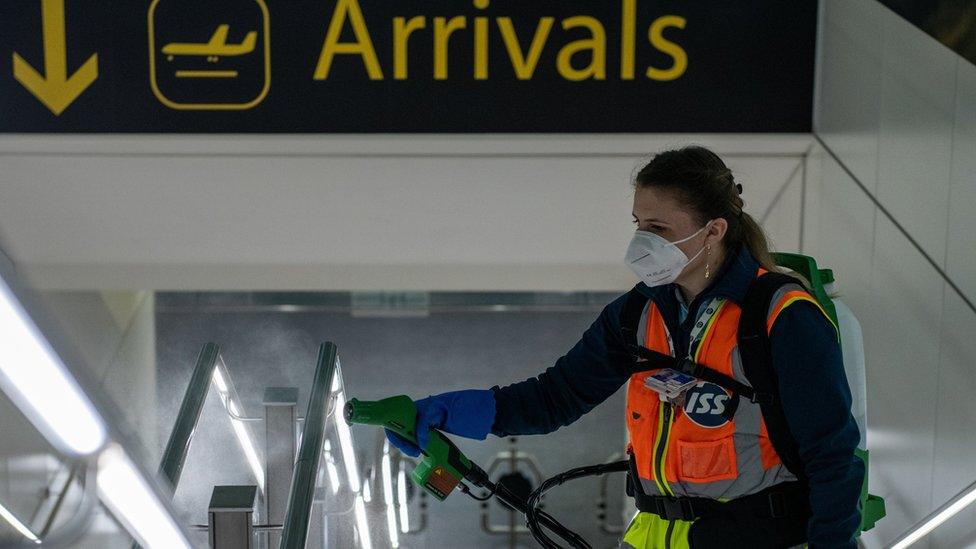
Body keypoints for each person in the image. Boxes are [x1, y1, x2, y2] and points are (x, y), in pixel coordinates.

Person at [386, 145, 864, 548]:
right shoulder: (637, 314)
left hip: (755, 535)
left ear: (714, 231)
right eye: (638, 223)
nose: (641, 241)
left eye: (658, 229)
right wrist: (443, 412)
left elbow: (832, 456)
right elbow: (554, 398)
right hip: (654, 534)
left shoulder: (781, 316)